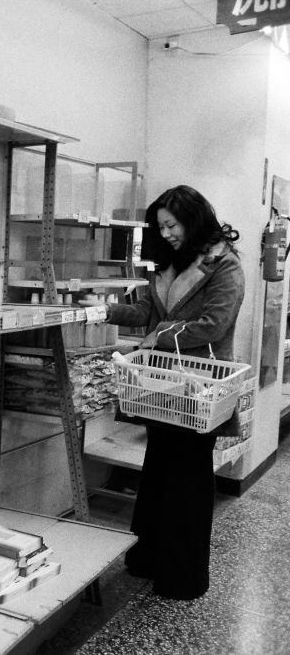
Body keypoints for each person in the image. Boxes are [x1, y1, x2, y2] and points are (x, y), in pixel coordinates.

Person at [105, 185, 245, 600]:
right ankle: (146, 558)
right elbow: (147, 312)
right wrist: (100, 309)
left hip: (200, 389)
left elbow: (213, 325)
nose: (165, 233)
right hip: (162, 385)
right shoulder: (167, 264)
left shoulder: (225, 266)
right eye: (160, 226)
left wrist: (157, 337)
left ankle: (183, 578)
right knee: (158, 475)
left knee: (187, 483)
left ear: (193, 219)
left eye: (171, 225)